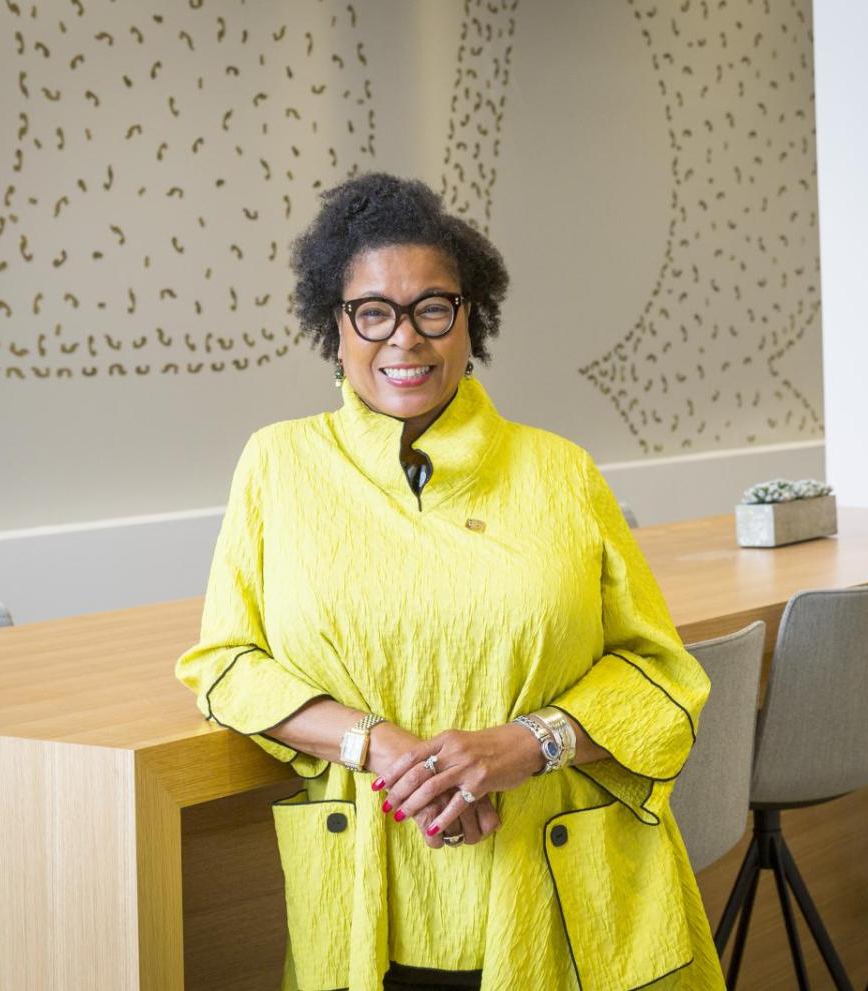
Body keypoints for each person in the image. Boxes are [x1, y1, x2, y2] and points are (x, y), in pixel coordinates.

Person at [174, 172, 726, 991]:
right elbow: (224, 662)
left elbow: (659, 673)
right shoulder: (277, 467)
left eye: (434, 308)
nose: (405, 339)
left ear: (473, 318)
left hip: (553, 885)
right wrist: (378, 744)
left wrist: (528, 745)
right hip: (368, 885)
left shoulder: (560, 471)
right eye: (374, 312)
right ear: (337, 324)